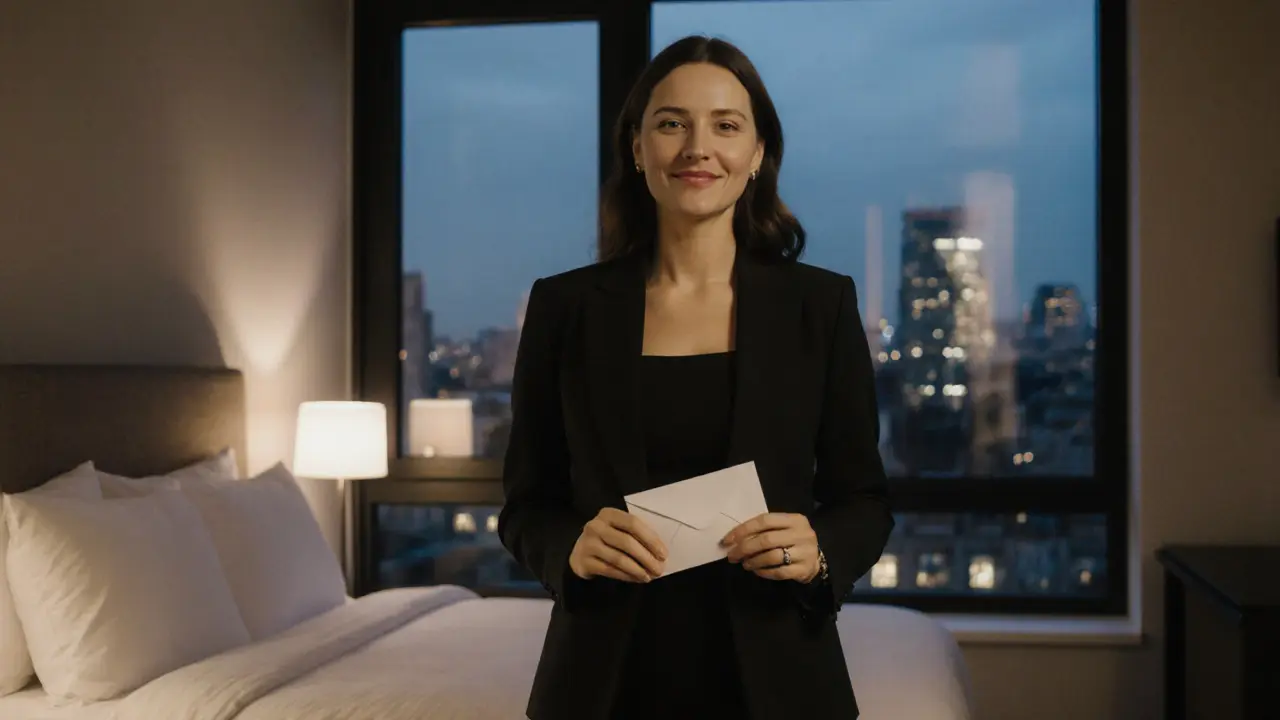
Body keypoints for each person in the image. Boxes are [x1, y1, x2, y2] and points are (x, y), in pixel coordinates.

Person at [498, 34, 894, 720]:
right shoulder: (565, 308)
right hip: (602, 680)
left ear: (758, 153)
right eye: (671, 123)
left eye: (725, 125)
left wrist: (822, 548)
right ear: (637, 147)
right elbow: (525, 505)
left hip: (779, 676)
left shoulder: (819, 306)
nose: (696, 147)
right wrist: (569, 546)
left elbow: (865, 498)